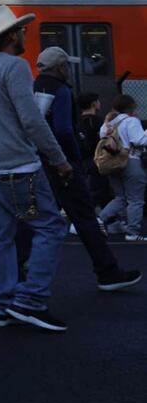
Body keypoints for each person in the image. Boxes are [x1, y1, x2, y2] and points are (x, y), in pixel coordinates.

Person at [0, 5, 72, 331]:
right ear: (11, 35)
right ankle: (31, 300)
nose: (25, 34)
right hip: (20, 167)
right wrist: (59, 159)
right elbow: (31, 119)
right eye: (22, 30)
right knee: (51, 228)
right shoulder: (15, 66)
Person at [22, 47, 140, 290]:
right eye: (67, 65)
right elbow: (64, 129)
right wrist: (74, 159)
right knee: (85, 217)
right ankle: (107, 272)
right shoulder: (62, 90)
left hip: (39, 161)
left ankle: (18, 266)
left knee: (32, 217)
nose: (69, 70)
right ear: (61, 67)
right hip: (63, 164)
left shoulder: (32, 88)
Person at [97, 94, 147, 242]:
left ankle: (100, 219)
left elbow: (102, 137)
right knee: (135, 199)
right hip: (131, 161)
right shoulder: (132, 121)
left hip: (112, 163)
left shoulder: (109, 123)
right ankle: (132, 232)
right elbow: (139, 140)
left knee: (121, 197)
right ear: (132, 107)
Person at [76, 92, 112, 209]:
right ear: (93, 104)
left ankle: (110, 220)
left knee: (97, 190)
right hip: (99, 159)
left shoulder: (76, 121)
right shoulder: (97, 121)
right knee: (99, 190)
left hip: (83, 159)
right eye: (98, 101)